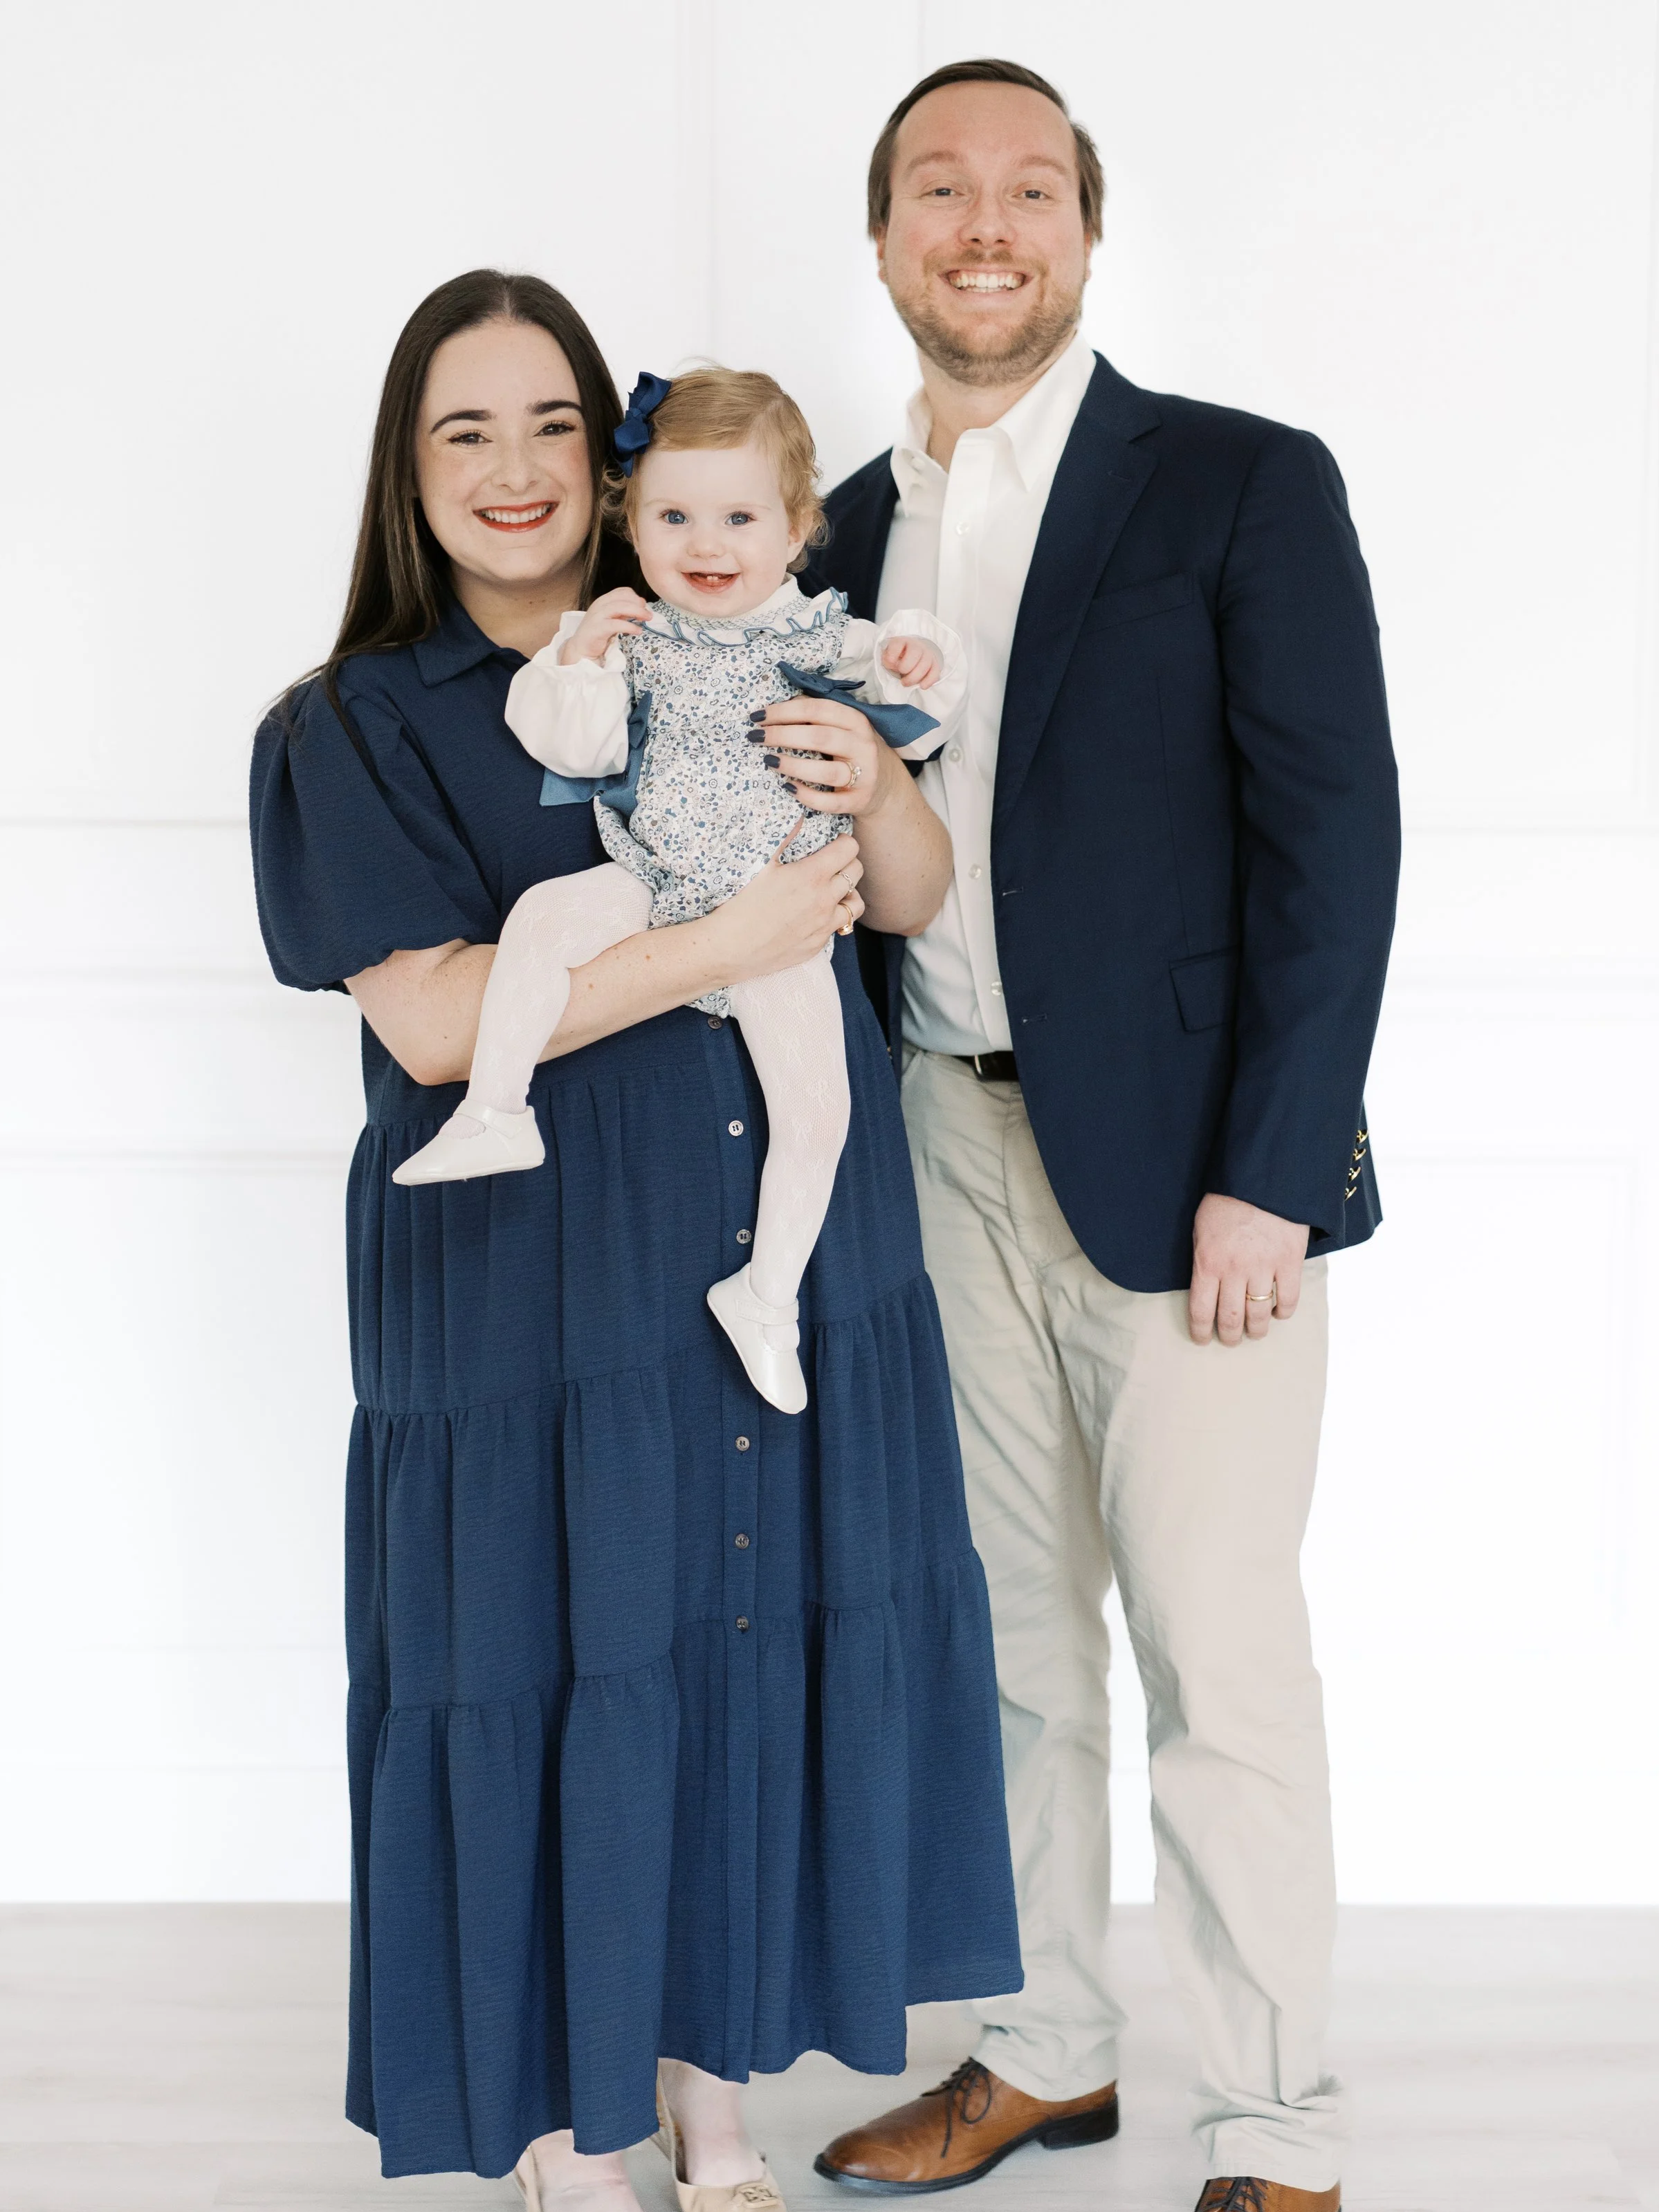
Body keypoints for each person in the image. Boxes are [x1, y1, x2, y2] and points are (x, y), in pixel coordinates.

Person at [248, 269, 1021, 2206]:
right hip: (525, 1292)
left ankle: (709, 2098)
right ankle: (554, 2121)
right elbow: (433, 1021)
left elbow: (901, 891)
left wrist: (870, 796)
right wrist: (718, 947)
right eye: (460, 431)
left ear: (607, 459)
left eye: (544, 428)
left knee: (724, 1656)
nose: (511, 472)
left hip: (770, 1257)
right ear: (403, 473)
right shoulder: (356, 718)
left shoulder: (740, 635)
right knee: (535, 1666)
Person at [806, 59, 1399, 2212]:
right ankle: (1046, 2046)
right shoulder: (825, 528)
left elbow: (1334, 843)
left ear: (1083, 226)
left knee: (1214, 1656)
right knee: (1007, 1646)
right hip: (934, 1159)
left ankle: (1267, 2121)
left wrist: (1274, 1165)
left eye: (1028, 188)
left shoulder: (1234, 483)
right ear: (880, 239)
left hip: (1188, 1180)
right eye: (939, 190)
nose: (986, 225)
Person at [394, 365, 964, 1417]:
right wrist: (585, 659)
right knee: (540, 920)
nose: (706, 545)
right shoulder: (627, 635)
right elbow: (563, 742)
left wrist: (917, 658)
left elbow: (922, 707)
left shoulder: (827, 636)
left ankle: (765, 1294)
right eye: (674, 516)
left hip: (784, 911)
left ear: (797, 527)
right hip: (651, 882)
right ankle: (496, 1107)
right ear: (634, 525)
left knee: (817, 1111)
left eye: (739, 516)